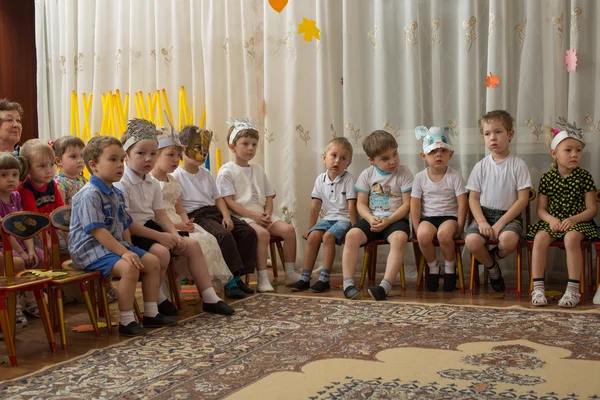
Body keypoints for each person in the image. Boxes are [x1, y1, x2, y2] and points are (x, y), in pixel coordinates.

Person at [115, 119, 234, 316]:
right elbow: (127, 223)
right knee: (161, 252)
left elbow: (161, 214)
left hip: (151, 226)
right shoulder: (122, 183)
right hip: (132, 231)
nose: (148, 159)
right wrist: (161, 236)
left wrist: (173, 233)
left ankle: (209, 297)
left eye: (152, 154)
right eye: (141, 153)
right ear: (126, 156)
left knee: (193, 245)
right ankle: (158, 297)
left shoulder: (151, 182)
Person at [69, 136, 176, 336]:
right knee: (129, 267)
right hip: (89, 249)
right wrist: (125, 252)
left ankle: (151, 313)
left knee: (152, 261)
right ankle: (126, 321)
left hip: (112, 245)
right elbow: (97, 231)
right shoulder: (90, 194)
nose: (120, 165)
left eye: (121, 159)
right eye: (112, 160)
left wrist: (129, 247)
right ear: (93, 165)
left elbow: (124, 223)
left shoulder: (114, 193)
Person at [173, 125, 258, 299]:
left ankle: (237, 276)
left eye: (205, 150)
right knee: (222, 235)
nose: (202, 154)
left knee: (247, 232)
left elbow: (218, 199)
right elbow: (179, 206)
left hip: (214, 212)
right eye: (197, 148)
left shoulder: (206, 174)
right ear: (183, 148)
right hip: (197, 215)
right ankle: (230, 283)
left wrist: (227, 216)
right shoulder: (177, 176)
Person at [216, 118, 300, 292]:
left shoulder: (258, 169)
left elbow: (269, 196)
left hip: (262, 214)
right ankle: (262, 278)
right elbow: (228, 201)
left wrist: (267, 213)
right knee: (262, 234)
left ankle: (290, 272)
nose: (250, 148)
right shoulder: (227, 171)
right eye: (245, 144)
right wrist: (252, 216)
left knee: (289, 230)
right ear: (232, 146)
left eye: (254, 144)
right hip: (242, 216)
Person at [527, 119, 598, 308]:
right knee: (540, 238)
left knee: (571, 239)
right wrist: (551, 220)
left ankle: (573, 289)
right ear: (554, 154)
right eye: (568, 150)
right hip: (554, 221)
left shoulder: (585, 177)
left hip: (578, 221)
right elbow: (541, 209)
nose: (574, 154)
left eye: (578, 150)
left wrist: (573, 219)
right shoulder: (547, 178)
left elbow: (592, 209)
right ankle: (538, 287)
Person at [341, 130, 413, 301]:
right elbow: (361, 203)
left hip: (396, 219)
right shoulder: (367, 175)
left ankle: (385, 286)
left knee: (399, 239)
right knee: (351, 235)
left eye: (395, 154)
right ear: (372, 161)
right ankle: (348, 284)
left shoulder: (404, 173)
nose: (393, 161)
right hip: (373, 219)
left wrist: (389, 220)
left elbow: (408, 204)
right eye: (385, 158)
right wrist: (370, 218)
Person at [465, 110, 531, 292]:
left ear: (510, 134)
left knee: (508, 240)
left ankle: (492, 257)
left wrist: (501, 223)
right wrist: (482, 221)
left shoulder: (518, 165)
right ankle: (492, 267)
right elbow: (473, 198)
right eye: (487, 134)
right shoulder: (481, 166)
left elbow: (523, 199)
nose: (492, 137)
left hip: (509, 217)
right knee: (471, 241)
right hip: (484, 215)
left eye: (498, 132)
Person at [291, 137, 357, 292]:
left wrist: (355, 228)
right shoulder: (320, 179)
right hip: (328, 218)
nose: (337, 161)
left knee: (328, 237)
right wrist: (310, 228)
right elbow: (315, 206)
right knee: (314, 236)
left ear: (348, 163)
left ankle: (324, 278)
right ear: (324, 158)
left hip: (344, 219)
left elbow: (352, 206)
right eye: (333, 155)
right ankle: (305, 277)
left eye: (343, 158)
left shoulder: (348, 179)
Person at [411, 126, 467, 292]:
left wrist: (460, 226)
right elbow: (415, 204)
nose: (438, 155)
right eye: (433, 152)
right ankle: (434, 267)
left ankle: (450, 268)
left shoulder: (455, 176)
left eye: (443, 151)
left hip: (449, 217)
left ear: (450, 154)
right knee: (423, 235)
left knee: (444, 235)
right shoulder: (420, 178)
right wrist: (416, 227)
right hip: (428, 218)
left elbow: (462, 203)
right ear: (424, 156)